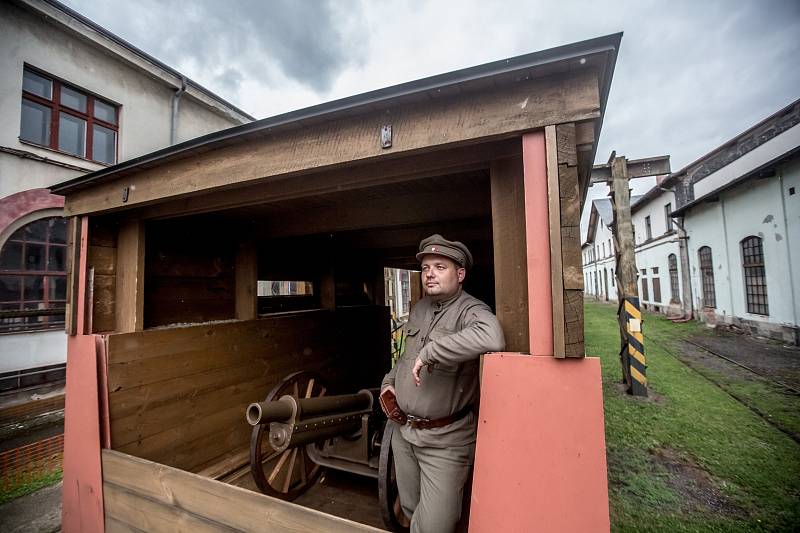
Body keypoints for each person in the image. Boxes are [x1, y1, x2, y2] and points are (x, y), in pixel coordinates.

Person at [380, 234, 505, 533]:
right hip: (404, 433)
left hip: (445, 441)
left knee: (436, 525)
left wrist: (433, 352)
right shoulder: (421, 308)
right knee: (411, 510)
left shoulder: (471, 310)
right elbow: (405, 359)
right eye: (425, 268)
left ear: (460, 275)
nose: (430, 274)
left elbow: (493, 337)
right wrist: (389, 383)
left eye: (440, 267)